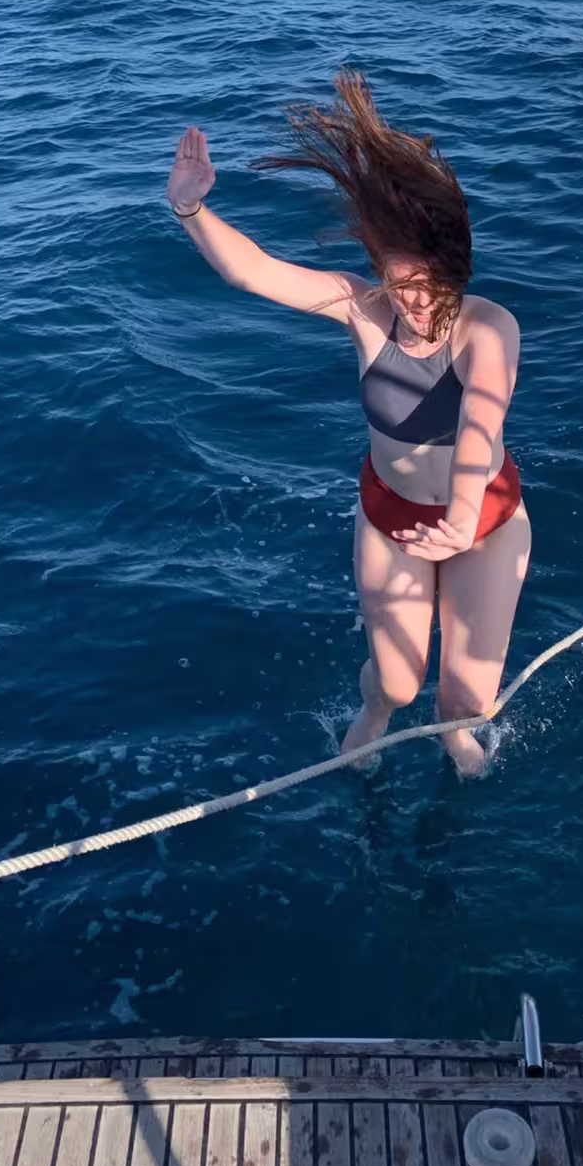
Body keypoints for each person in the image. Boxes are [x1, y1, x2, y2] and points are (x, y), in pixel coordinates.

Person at [164, 71, 528, 779]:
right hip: (391, 512)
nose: (412, 304)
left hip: (483, 514)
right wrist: (191, 212)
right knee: (396, 681)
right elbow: (255, 273)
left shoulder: (491, 328)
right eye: (396, 285)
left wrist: (458, 516)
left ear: (454, 265)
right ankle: (377, 716)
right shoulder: (362, 309)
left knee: (467, 700)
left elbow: (482, 417)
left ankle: (452, 733)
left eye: (425, 286)